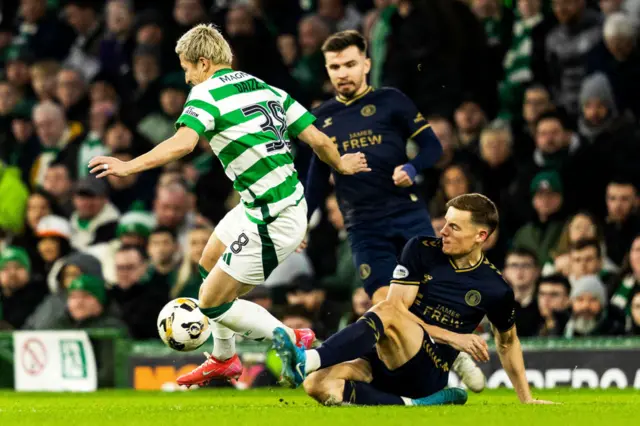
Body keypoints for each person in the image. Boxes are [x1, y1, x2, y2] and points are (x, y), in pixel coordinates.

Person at [87, 23, 369, 387]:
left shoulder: (206, 95)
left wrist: (128, 165)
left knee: (211, 303)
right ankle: (224, 358)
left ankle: (292, 338)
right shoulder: (267, 89)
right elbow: (317, 137)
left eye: (187, 69)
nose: (187, 79)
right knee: (207, 263)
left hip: (272, 217)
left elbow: (183, 144)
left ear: (203, 63)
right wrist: (343, 164)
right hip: (268, 204)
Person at [303, 30, 483, 390]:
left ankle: (448, 353)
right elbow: (316, 179)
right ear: (327, 69)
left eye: (351, 64)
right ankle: (447, 354)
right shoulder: (321, 119)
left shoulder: (391, 101)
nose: (343, 73)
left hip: (406, 213)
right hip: (363, 226)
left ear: (366, 64)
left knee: (426, 297)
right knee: (386, 307)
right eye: (335, 66)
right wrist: (302, 224)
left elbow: (432, 147)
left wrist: (413, 168)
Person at [273, 194, 555, 406]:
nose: (443, 231)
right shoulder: (421, 249)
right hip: (386, 353)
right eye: (445, 222)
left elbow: (508, 343)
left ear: (481, 235)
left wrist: (526, 399)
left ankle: (309, 358)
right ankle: (412, 405)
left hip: (428, 369)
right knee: (316, 385)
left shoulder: (495, 288)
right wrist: (453, 337)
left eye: (454, 227)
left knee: (385, 310)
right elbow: (396, 309)